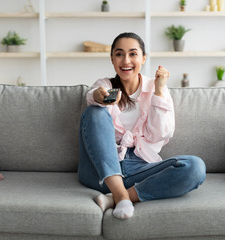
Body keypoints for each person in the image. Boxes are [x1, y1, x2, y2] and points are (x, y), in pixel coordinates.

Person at [78, 32, 206, 219]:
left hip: (139, 170)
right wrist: (99, 97)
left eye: (133, 54)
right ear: (112, 59)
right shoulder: (105, 85)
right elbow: (93, 95)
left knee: (195, 167)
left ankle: (116, 198)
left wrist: (159, 91)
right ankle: (121, 196)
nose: (126, 60)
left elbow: (160, 134)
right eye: (119, 54)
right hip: (100, 172)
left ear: (143, 58)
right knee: (94, 112)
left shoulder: (157, 88)